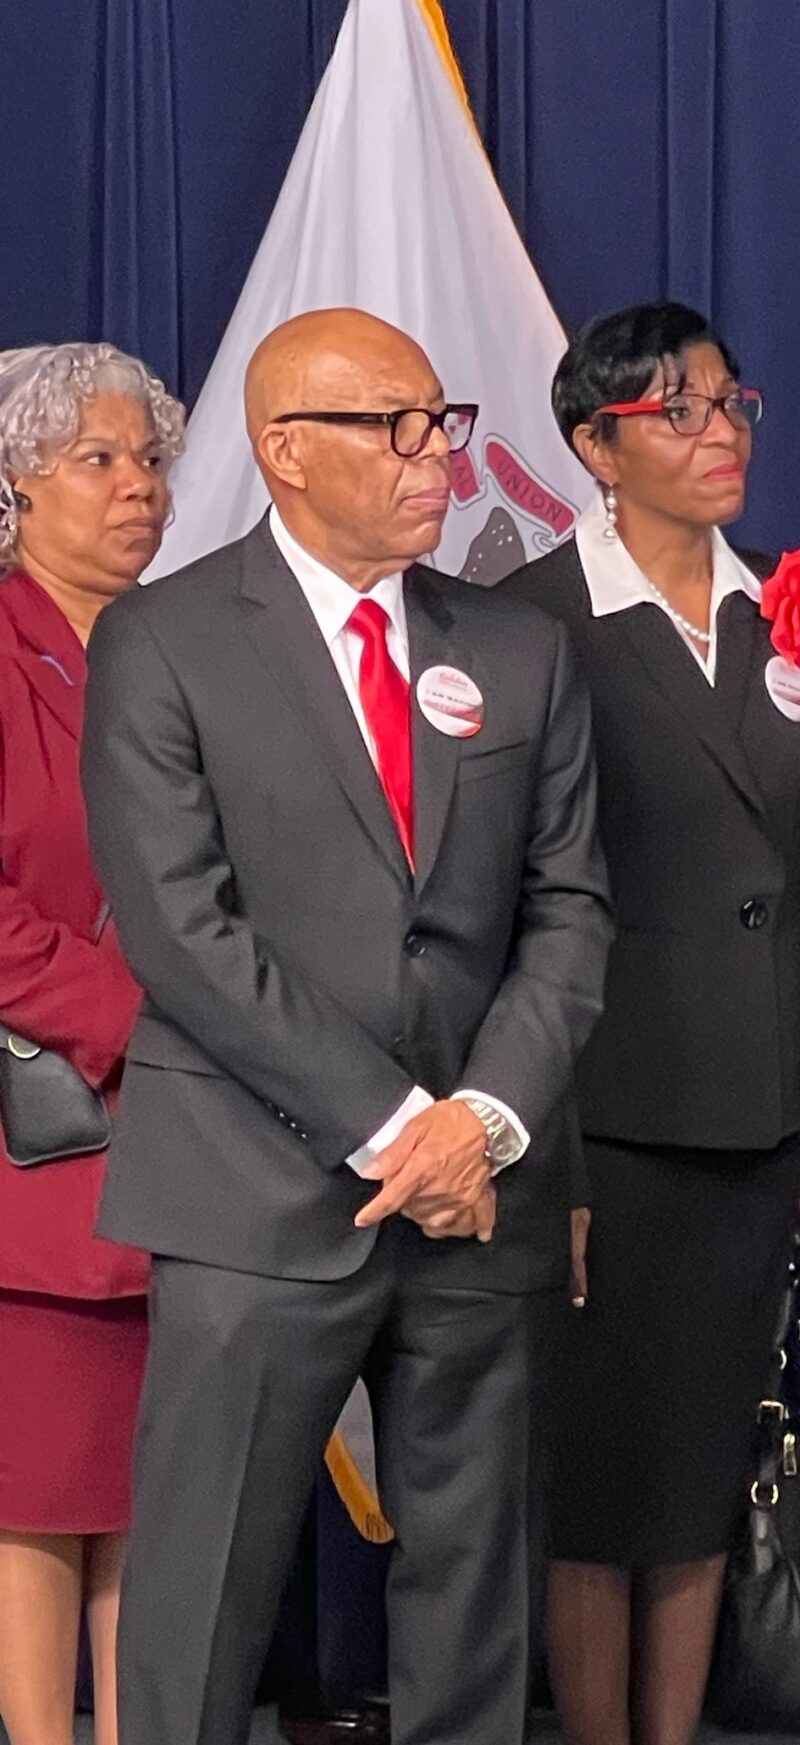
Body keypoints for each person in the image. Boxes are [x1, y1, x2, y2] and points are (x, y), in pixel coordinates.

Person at [81, 308, 612, 1745]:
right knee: (201, 1609)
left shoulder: (518, 646)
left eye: (439, 420)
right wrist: (397, 1128)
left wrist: (480, 1124)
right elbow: (183, 935)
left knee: (476, 1608)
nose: (434, 453)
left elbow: (570, 917)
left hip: (480, 1198)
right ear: (283, 452)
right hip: (257, 1197)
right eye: (393, 426)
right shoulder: (164, 640)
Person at [506, 302, 800, 1745]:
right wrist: (550, 1152)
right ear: (596, 445)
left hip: (756, 1115)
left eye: (729, 403)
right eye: (678, 411)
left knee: (707, 1460)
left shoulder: (787, 614)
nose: (720, 434)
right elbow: (513, 908)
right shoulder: (533, 624)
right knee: (600, 1484)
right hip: (607, 1116)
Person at [0, 343, 183, 1745]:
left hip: (191, 1150)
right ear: (17, 484)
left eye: (151, 462)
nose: (139, 489)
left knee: (155, 1495)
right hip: (44, 1149)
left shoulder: (183, 645)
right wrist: (146, 1018)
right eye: (100, 462)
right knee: (40, 1493)